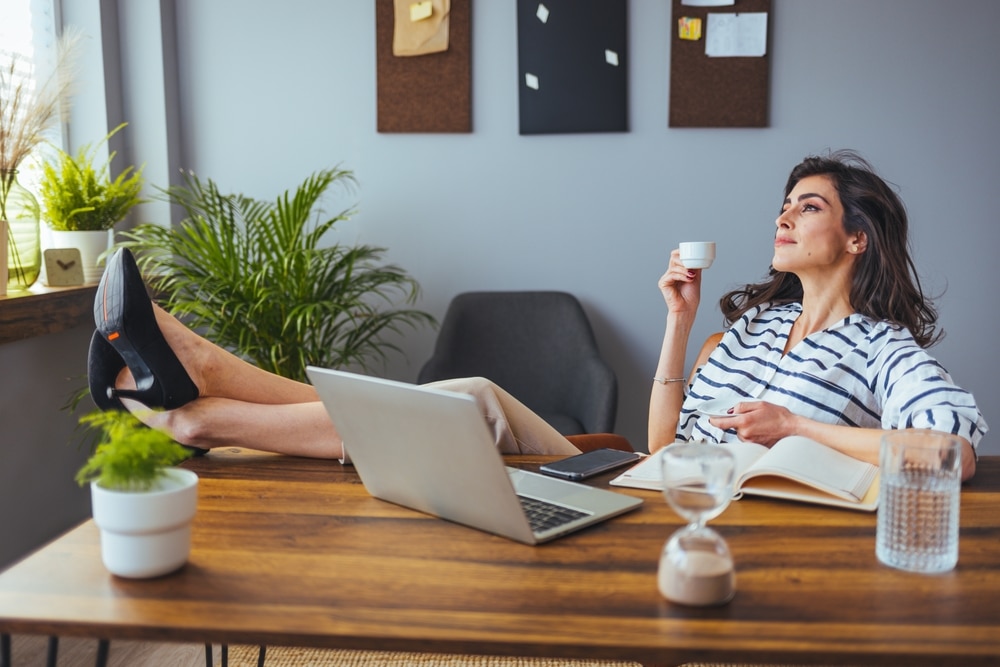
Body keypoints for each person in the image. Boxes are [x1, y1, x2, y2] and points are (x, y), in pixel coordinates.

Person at [649, 149, 987, 481]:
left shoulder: (881, 349)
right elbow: (661, 449)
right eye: (785, 208)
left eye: (809, 207)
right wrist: (679, 320)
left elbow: (950, 455)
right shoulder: (752, 326)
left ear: (857, 239)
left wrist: (794, 427)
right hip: (685, 514)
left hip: (778, 531)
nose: (782, 219)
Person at [87, 247, 580, 459]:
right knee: (471, 395)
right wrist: (666, 321)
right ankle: (202, 378)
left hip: (639, 496)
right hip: (640, 474)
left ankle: (198, 411)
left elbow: (660, 451)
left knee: (474, 396)